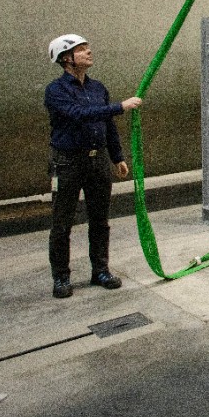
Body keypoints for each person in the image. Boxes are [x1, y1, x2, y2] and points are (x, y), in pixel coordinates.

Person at [45, 34, 141, 299]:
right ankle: (61, 277)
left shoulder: (98, 88)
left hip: (97, 161)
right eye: (81, 50)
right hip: (67, 162)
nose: (89, 52)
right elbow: (79, 115)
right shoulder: (56, 91)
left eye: (87, 48)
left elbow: (107, 124)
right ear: (66, 58)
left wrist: (117, 157)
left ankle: (100, 270)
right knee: (62, 222)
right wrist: (120, 106)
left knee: (100, 220)